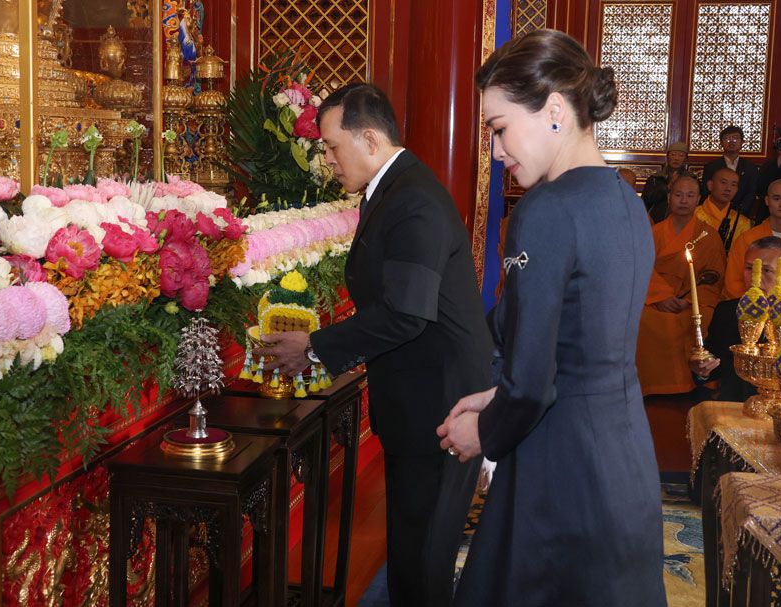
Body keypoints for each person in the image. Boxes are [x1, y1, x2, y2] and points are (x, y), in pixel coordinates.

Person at [435, 29, 666, 606]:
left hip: (561, 468)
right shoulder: (627, 201)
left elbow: (534, 383)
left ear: (555, 111)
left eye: (498, 128)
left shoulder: (545, 210)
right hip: (625, 458)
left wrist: (481, 434)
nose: (495, 151)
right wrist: (497, 398)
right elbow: (580, 346)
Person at [257, 83, 492, 607]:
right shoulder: (388, 190)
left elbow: (406, 314)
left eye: (332, 146)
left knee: (424, 550)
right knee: (411, 541)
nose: (327, 159)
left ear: (368, 138)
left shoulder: (413, 201)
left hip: (442, 402)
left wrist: (314, 346)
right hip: (421, 393)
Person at [636, 175, 726, 395]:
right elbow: (640, 269)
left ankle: (690, 381)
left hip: (692, 301)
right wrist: (661, 297)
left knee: (697, 319)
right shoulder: (653, 233)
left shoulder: (709, 236)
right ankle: (651, 384)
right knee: (642, 319)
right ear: (669, 198)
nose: (684, 200)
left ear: (698, 199)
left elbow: (713, 276)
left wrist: (689, 300)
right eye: (678, 195)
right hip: (654, 301)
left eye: (690, 195)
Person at [691, 237, 781, 401]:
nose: (756, 276)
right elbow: (713, 366)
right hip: (735, 408)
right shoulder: (727, 312)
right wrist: (702, 370)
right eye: (750, 268)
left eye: (766, 270)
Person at [723, 179, 781, 298]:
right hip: (751, 306)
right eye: (776, 198)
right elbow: (733, 280)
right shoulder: (747, 238)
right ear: (767, 200)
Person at [700, 125, 760, 216]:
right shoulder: (711, 166)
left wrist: (739, 212)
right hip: (714, 213)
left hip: (740, 215)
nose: (731, 141)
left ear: (742, 142)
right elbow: (706, 192)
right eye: (727, 138)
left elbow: (751, 193)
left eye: (735, 138)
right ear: (721, 142)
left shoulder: (750, 167)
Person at [695, 166, 752, 253]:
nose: (728, 189)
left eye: (733, 185)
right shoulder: (692, 215)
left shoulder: (743, 223)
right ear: (710, 185)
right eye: (723, 182)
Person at [642, 142, 691, 223]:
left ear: (686, 159)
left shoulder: (691, 179)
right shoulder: (655, 178)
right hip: (657, 221)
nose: (676, 158)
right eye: (673, 154)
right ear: (667, 157)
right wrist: (668, 187)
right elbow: (646, 199)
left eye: (681, 155)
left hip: (684, 220)